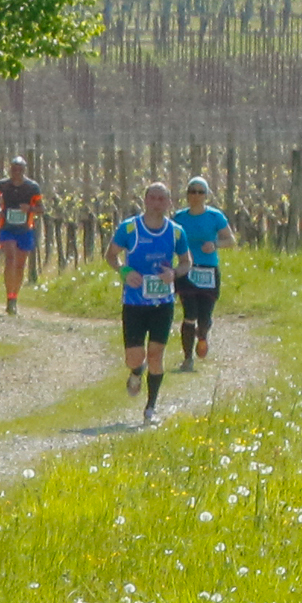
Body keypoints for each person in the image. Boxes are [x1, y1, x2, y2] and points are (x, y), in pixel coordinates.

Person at [108, 180, 187, 422]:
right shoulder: (130, 229)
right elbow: (111, 255)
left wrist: (173, 273)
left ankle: (150, 408)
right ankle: (136, 370)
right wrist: (123, 272)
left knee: (156, 354)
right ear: (145, 201)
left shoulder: (175, 232)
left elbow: (186, 262)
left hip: (162, 303)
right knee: (135, 356)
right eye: (152, 198)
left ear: (169, 203)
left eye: (161, 199)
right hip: (134, 303)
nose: (156, 203)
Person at [174, 173, 230, 370]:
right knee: (189, 313)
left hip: (208, 270)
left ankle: (203, 333)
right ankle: (187, 358)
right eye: (192, 192)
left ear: (206, 195)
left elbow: (230, 240)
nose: (195, 195)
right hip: (186, 269)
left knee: (204, 316)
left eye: (200, 192)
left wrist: (215, 244)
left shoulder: (215, 216)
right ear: (187, 195)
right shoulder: (179, 218)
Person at [0, 156, 44, 314]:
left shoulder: (32, 187)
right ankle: (9, 297)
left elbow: (41, 209)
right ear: (10, 169)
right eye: (14, 168)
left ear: (24, 170)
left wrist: (29, 208)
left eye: (20, 169)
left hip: (25, 228)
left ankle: (14, 297)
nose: (17, 172)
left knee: (20, 265)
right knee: (10, 259)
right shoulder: (3, 185)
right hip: (6, 227)